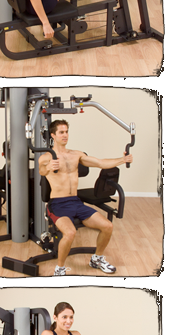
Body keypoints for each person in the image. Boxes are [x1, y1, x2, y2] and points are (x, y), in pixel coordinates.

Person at [39, 119, 133, 278]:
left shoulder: (76, 155)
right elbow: (41, 171)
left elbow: (100, 163)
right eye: (61, 132)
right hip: (57, 204)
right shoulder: (47, 157)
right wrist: (48, 168)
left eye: (67, 131)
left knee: (107, 226)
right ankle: (60, 269)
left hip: (75, 201)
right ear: (53, 135)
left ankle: (96, 259)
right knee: (70, 233)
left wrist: (122, 160)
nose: (65, 135)